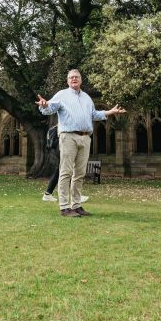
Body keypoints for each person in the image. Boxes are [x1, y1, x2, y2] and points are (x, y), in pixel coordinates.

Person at [36, 69, 125, 217]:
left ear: (81, 80)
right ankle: (64, 207)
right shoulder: (62, 94)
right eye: (71, 77)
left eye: (76, 77)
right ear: (67, 81)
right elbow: (49, 108)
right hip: (68, 137)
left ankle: (76, 206)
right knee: (65, 172)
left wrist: (109, 112)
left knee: (79, 173)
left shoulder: (86, 98)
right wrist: (44, 105)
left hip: (85, 137)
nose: (73, 79)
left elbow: (94, 115)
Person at [41, 124, 88, 204]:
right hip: (62, 149)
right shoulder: (63, 126)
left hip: (59, 150)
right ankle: (76, 196)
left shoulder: (58, 127)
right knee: (67, 171)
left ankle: (47, 194)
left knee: (59, 172)